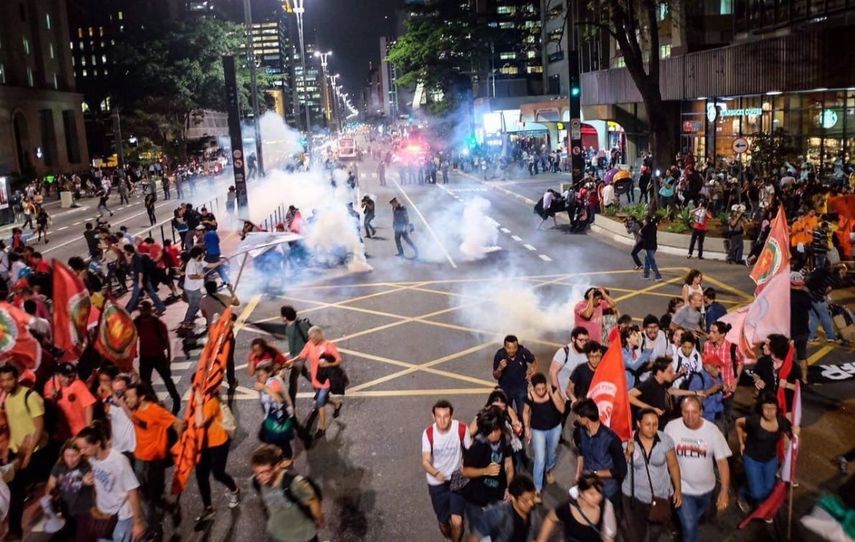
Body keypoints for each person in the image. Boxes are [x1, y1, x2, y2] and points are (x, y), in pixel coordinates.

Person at [664, 396, 731, 542]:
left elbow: (722, 462)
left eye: (694, 412)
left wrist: (724, 491)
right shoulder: (671, 428)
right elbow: (665, 457)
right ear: (681, 412)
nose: (690, 416)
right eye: (686, 412)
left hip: (706, 491)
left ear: (701, 412)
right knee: (690, 529)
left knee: (694, 522)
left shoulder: (712, 431)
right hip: (683, 490)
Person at [125, 383, 185, 539]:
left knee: (150, 501)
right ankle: (170, 508)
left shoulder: (155, 410)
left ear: (142, 397)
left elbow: (178, 423)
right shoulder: (134, 408)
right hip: (139, 459)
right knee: (146, 497)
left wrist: (179, 445)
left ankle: (155, 532)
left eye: (130, 397)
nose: (127, 400)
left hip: (154, 463)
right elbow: (131, 416)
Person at [0, 364, 50, 540]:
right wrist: (8, 449)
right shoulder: (7, 399)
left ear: (16, 378)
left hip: (34, 451)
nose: (6, 383)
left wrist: (29, 454)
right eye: (3, 380)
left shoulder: (30, 396)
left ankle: (16, 531)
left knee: (19, 489)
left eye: (9, 379)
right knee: (15, 491)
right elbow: (13, 427)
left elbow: (39, 426)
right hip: (17, 451)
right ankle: (14, 530)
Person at [75, 424, 146, 542]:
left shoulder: (119, 461)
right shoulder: (92, 458)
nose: (82, 452)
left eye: (85, 448)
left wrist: (137, 522)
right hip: (104, 515)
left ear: (97, 443)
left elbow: (133, 491)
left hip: (122, 516)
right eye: (80, 448)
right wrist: (88, 480)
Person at [621, 409, 682, 542]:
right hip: (634, 497)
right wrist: (627, 453)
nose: (652, 428)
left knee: (655, 532)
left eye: (655, 424)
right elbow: (619, 468)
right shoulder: (628, 440)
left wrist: (678, 489)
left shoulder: (665, 440)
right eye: (648, 424)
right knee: (636, 535)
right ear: (638, 423)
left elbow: (673, 465)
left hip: (660, 496)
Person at [735, 392, 795, 516]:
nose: (769, 412)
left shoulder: (781, 421)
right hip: (752, 458)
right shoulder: (754, 421)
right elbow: (738, 423)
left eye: (772, 408)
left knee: (768, 489)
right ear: (761, 408)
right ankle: (743, 492)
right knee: (757, 493)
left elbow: (793, 438)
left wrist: (796, 433)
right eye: (766, 408)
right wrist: (741, 443)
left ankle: (756, 493)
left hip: (770, 459)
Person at [250, 444, 324, 542]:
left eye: (265, 472)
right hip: (277, 534)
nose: (260, 477)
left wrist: (319, 519)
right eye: (257, 472)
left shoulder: (295, 483)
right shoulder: (255, 482)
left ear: (276, 467)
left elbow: (313, 501)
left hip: (303, 535)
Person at [421, 400, 472, 542]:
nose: (442, 420)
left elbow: (470, 451)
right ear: (433, 416)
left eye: (446, 416)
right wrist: (436, 473)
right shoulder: (428, 434)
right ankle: (449, 537)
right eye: (439, 416)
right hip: (436, 481)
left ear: (452, 415)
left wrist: (466, 464)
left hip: (457, 478)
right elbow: (425, 462)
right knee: (443, 522)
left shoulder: (461, 429)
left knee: (457, 521)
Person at [460, 406, 515, 533]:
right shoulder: (478, 445)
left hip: (496, 495)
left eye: (496, 430)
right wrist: (485, 471)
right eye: (490, 431)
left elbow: (508, 464)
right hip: (476, 499)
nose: (494, 434)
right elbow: (465, 471)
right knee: (479, 533)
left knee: (500, 530)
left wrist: (509, 486)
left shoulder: (505, 439)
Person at [192, 388, 240, 522]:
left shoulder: (211, 401)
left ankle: (235, 490)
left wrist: (199, 403)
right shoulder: (198, 400)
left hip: (218, 443)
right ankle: (208, 508)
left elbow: (199, 422)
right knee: (201, 476)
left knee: (218, 473)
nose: (194, 390)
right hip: (203, 445)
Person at [572, 399, 628, 508]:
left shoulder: (611, 439)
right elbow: (581, 452)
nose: (576, 419)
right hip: (588, 490)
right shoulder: (579, 432)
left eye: (577, 416)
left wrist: (594, 473)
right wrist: (578, 473)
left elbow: (621, 470)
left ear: (585, 419)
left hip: (608, 492)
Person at [292, 326, 344, 439]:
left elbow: (339, 360)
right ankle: (337, 403)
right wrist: (290, 361)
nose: (312, 339)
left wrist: (328, 364)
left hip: (326, 381)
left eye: (314, 337)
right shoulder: (310, 344)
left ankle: (322, 428)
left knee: (320, 403)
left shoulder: (328, 346)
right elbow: (302, 356)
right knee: (323, 398)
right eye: (310, 337)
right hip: (316, 380)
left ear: (320, 335)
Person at [536, 472, 618, 542]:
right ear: (581, 493)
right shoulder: (567, 509)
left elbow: (608, 534)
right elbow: (550, 518)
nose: (597, 497)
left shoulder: (605, 506)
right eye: (591, 494)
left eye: (599, 492)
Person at [134, 300, 182, 414]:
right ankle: (154, 401)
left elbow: (166, 340)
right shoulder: (137, 322)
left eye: (144, 309)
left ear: (149, 310)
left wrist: (168, 358)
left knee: (166, 379)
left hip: (158, 356)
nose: (142, 312)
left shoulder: (157, 323)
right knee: (145, 382)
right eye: (140, 309)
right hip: (145, 357)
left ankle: (175, 398)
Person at [524, 373, 565, 501]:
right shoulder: (530, 395)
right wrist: (527, 427)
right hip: (538, 430)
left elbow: (562, 409)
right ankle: (537, 489)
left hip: (554, 428)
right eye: (538, 389)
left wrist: (552, 395)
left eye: (543, 388)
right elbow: (526, 412)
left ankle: (549, 470)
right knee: (540, 459)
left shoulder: (552, 390)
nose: (541, 392)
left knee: (551, 454)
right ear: (533, 388)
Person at [45, 439, 96, 541]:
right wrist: (49, 492)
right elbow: (51, 483)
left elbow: (84, 481)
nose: (70, 460)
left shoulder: (86, 466)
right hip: (67, 512)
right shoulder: (60, 465)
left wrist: (81, 483)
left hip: (84, 513)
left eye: (74, 456)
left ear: (81, 454)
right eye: (67, 456)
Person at [467, 475, 538, 542]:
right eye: (525, 501)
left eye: (532, 498)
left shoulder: (532, 513)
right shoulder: (499, 513)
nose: (531, 504)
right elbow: (475, 536)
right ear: (513, 498)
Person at [43, 362, 97, 440]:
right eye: (64, 376)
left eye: (70, 377)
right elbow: (48, 410)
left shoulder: (78, 384)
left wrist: (87, 430)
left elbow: (88, 405)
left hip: (81, 432)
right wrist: (52, 399)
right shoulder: (50, 386)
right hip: (64, 436)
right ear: (58, 374)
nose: (67, 380)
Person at [492, 334, 538, 422]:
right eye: (509, 348)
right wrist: (500, 368)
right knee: (505, 414)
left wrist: (533, 371)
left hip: (521, 389)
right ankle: (508, 430)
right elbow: (495, 376)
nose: (512, 350)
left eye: (514, 347)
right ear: (505, 347)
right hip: (505, 389)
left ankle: (522, 431)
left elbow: (534, 360)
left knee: (523, 413)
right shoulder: (499, 355)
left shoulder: (523, 352)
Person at [96, 367, 137, 462]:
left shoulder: (129, 398)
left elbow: (120, 404)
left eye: (106, 380)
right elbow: (111, 419)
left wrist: (110, 392)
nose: (103, 384)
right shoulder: (107, 397)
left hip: (132, 446)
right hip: (117, 446)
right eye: (101, 381)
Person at [280, 305, 313, 408]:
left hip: (300, 357)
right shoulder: (289, 327)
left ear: (285, 317)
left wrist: (295, 359)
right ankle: (318, 385)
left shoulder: (301, 325)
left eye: (282, 316)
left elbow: (311, 338)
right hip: (295, 356)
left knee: (292, 380)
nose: (281, 318)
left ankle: (291, 404)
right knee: (303, 372)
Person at [124, 245, 167, 315]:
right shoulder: (136, 256)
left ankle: (127, 312)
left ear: (128, 250)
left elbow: (140, 271)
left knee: (135, 297)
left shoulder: (137, 258)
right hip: (144, 279)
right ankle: (161, 307)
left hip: (140, 280)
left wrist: (140, 282)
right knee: (151, 293)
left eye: (125, 251)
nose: (124, 252)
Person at [688, 354, 725, 424]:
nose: (719, 370)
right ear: (707, 367)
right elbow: (692, 400)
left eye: (720, 367)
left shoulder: (717, 376)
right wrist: (710, 391)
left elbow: (721, 389)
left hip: (720, 417)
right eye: (716, 367)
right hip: (706, 419)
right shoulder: (698, 379)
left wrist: (724, 387)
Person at [181, 246, 206, 330]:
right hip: (192, 289)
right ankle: (186, 322)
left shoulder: (198, 261)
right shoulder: (192, 263)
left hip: (195, 288)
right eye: (202, 253)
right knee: (194, 306)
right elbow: (191, 276)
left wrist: (219, 263)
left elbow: (208, 264)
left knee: (196, 305)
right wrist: (200, 276)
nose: (203, 254)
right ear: (198, 254)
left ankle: (189, 319)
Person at [640, 215, 663, 281]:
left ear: (646, 221)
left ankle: (658, 276)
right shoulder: (654, 226)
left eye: (644, 220)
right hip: (653, 246)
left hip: (648, 247)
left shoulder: (646, 227)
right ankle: (646, 275)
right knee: (647, 261)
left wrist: (644, 225)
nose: (643, 221)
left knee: (651, 262)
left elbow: (640, 233)